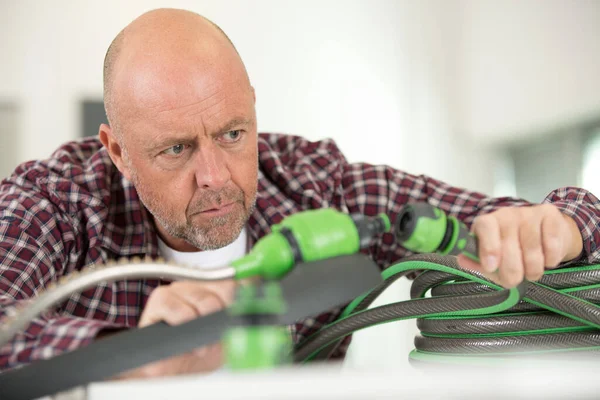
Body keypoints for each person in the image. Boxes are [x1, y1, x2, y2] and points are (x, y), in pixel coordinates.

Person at [0, 8, 598, 378]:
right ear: (117, 151)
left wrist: (558, 224)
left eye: (234, 134)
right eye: (175, 149)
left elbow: (535, 220)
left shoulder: (318, 184)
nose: (215, 176)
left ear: (255, 109)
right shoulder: (54, 201)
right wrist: (129, 353)